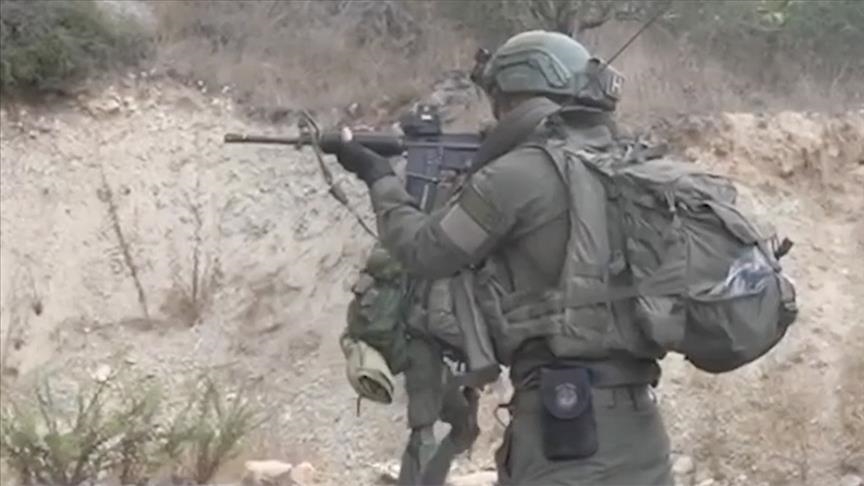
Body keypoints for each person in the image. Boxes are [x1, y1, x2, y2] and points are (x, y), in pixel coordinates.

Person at [334, 30, 675, 485]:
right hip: (643, 432)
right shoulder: (633, 168)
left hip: (566, 436)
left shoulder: (518, 175)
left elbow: (424, 250)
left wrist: (377, 176)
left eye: (499, 102)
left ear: (515, 96)